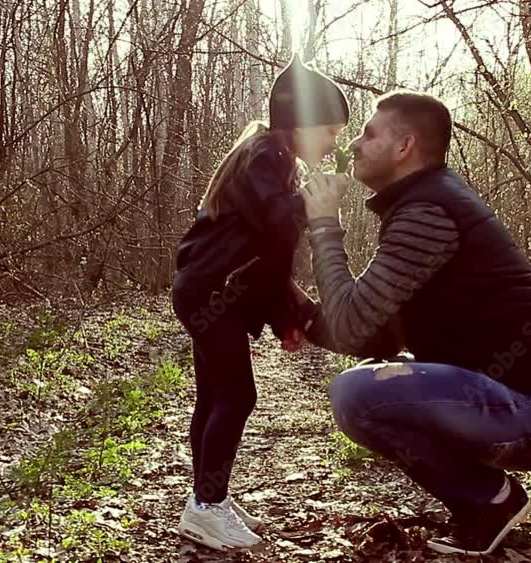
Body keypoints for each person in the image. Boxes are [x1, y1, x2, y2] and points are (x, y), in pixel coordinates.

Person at [296, 90, 531, 556]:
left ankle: (491, 501)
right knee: (371, 382)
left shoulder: (427, 213)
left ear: (404, 146)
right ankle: (488, 501)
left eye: (368, 134)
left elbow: (351, 325)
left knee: (357, 393)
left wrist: (324, 226)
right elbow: (373, 335)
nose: (354, 144)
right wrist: (294, 311)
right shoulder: (423, 203)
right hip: (517, 405)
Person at [171, 55, 350, 551]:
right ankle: (207, 506)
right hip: (211, 294)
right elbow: (276, 222)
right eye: (330, 131)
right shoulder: (267, 155)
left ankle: (208, 497)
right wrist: (317, 201)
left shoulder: (273, 158)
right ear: (301, 123)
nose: (333, 144)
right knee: (236, 397)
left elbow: (269, 258)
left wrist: (284, 317)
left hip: (206, 291)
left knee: (214, 397)